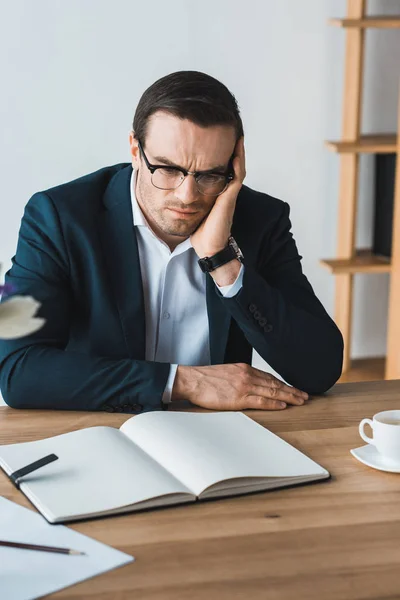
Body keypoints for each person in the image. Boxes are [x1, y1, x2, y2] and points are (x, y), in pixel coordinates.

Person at [0, 70, 343, 414]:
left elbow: (319, 369)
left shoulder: (261, 221)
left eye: (210, 174)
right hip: (99, 430)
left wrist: (223, 262)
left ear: (234, 165)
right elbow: (17, 370)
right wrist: (184, 382)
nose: (187, 195)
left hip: (219, 440)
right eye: (167, 169)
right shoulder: (59, 217)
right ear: (135, 149)